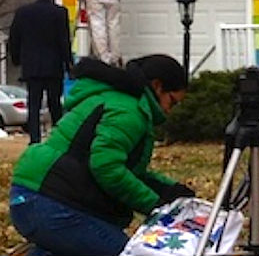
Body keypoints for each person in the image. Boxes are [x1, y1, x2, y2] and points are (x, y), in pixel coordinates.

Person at [9, 55, 195, 256]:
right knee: (131, 252)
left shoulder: (116, 99)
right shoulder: (130, 111)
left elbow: (122, 167)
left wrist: (169, 191)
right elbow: (106, 167)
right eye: (172, 102)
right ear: (158, 86)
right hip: (53, 204)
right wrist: (155, 206)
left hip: (32, 197)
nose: (169, 111)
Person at [6, 0, 72, 144]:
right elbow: (64, 41)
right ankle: (58, 137)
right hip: (53, 66)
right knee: (54, 103)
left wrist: (16, 58)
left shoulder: (23, 12)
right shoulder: (59, 12)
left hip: (32, 65)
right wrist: (69, 64)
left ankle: (34, 139)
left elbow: (14, 38)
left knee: (33, 104)